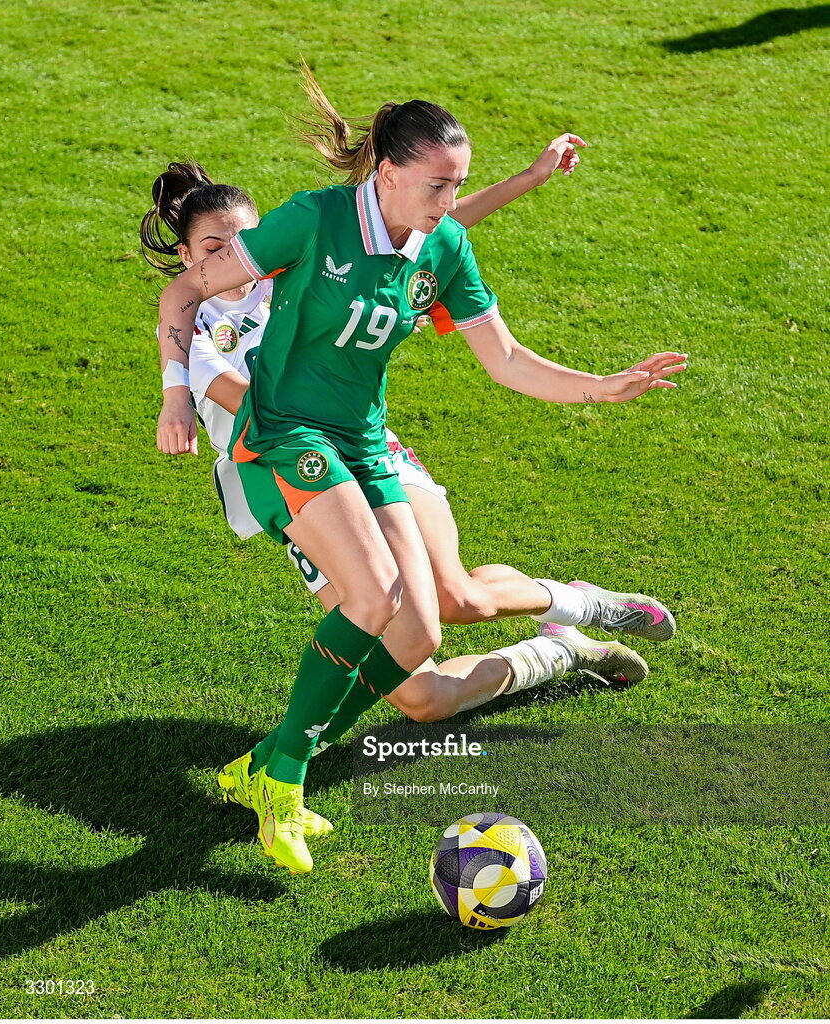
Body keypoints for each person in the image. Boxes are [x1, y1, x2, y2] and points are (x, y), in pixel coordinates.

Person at [153, 70, 687, 874]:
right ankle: (283, 777)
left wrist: (601, 386)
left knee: (426, 632)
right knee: (373, 600)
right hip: (287, 433)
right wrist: (175, 385)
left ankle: (268, 763)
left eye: (457, 186)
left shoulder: (441, 244)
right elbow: (186, 294)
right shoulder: (312, 218)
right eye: (438, 184)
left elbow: (503, 358)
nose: (448, 199)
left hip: (366, 441)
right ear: (389, 174)